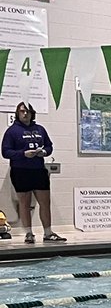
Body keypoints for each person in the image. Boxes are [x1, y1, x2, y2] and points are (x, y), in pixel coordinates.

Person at [1, 101, 66, 244]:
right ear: (17, 113)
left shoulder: (40, 129)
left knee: (45, 202)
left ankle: (48, 233)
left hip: (38, 170)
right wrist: (23, 154)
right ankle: (29, 233)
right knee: (24, 203)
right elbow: (5, 152)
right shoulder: (12, 131)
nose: (25, 114)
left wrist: (44, 152)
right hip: (20, 171)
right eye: (22, 111)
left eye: (28, 111)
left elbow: (49, 146)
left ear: (32, 113)